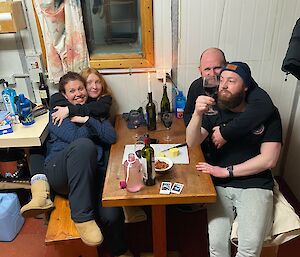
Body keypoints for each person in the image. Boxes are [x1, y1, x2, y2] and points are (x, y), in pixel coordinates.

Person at [21, 72, 132, 257]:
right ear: (64, 95)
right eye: (72, 91)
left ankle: (120, 251)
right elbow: (76, 139)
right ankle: (82, 217)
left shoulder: (91, 110)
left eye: (81, 88)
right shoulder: (58, 111)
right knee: (84, 145)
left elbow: (111, 136)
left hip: (91, 175)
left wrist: (86, 119)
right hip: (60, 172)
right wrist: (94, 126)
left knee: (112, 215)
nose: (78, 93)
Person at [186, 62, 282, 257]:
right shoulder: (215, 110)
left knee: (249, 251)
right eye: (222, 80)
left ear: (246, 86)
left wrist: (227, 171)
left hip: (255, 183)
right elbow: (192, 141)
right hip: (220, 185)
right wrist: (197, 114)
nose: (223, 85)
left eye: (231, 81)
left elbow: (269, 160)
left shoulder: (266, 113)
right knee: (217, 247)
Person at [183, 48, 275, 152]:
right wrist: (197, 131)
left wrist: (226, 132)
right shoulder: (197, 86)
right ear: (200, 70)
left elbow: (265, 105)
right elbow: (188, 114)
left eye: (217, 68)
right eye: (207, 69)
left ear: (226, 65)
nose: (212, 74)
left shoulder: (242, 81)